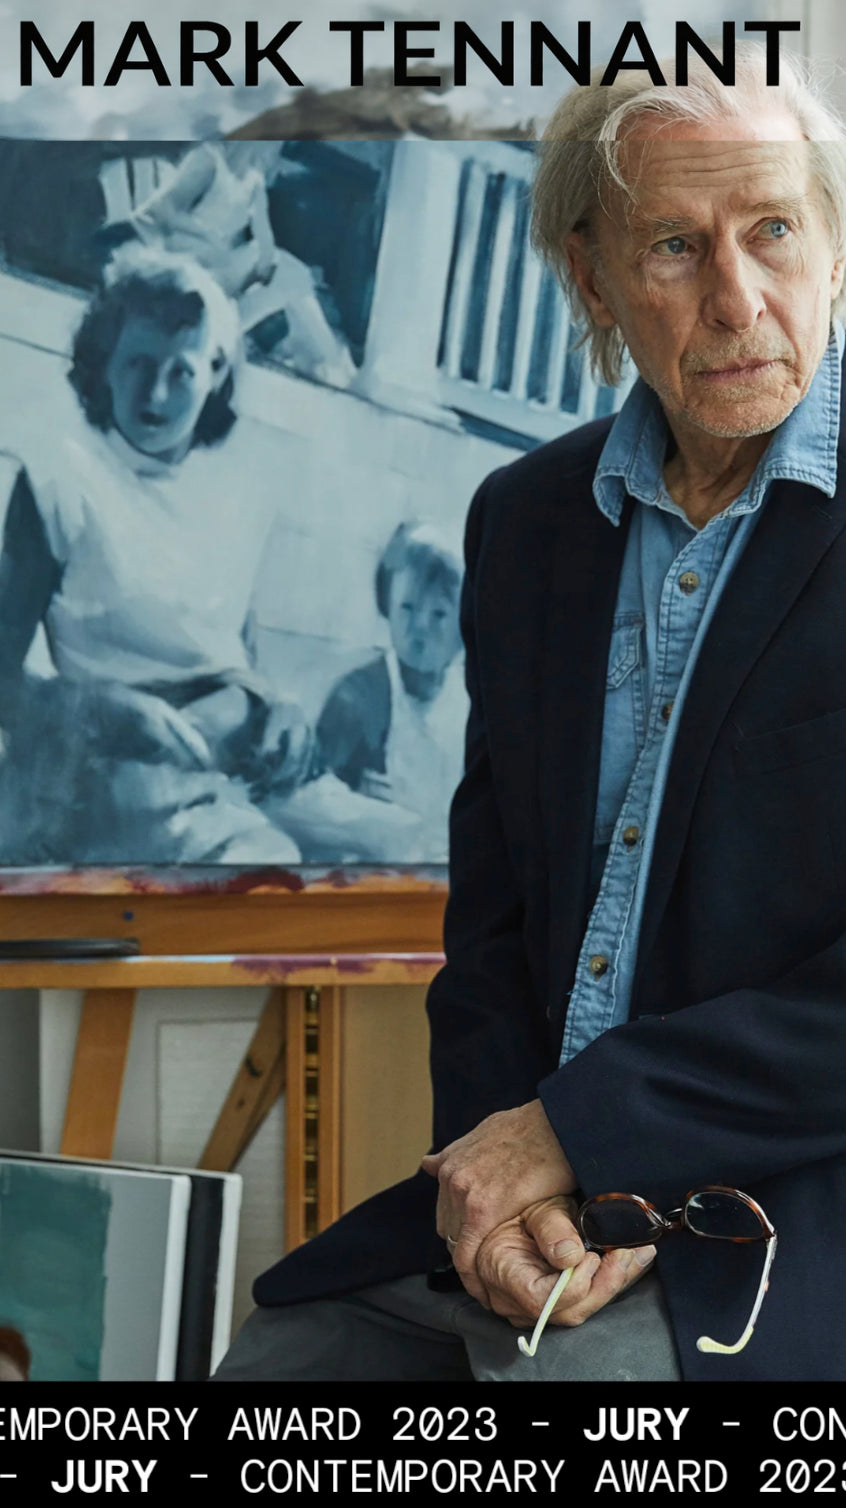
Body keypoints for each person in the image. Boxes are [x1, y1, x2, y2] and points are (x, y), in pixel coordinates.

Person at [215, 43, 846, 1382]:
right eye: (673, 247)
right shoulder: (524, 521)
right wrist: (511, 1183)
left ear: (832, 248)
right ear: (592, 282)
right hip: (551, 1199)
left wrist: (585, 1132)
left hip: (787, 1201)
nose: (738, 300)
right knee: (277, 1367)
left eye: (773, 232)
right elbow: (491, 920)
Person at [0, 244, 310, 865]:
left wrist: (280, 709)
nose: (157, 393)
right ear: (104, 364)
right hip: (81, 785)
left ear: (217, 372)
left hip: (204, 783)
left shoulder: (237, 497)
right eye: (139, 362)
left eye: (183, 371)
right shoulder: (60, 480)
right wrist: (93, 709)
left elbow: (237, 659)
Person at [314, 521, 466, 862]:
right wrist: (361, 814)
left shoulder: (473, 702)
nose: (419, 630)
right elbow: (314, 804)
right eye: (407, 608)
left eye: (439, 614)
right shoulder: (356, 699)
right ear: (386, 604)